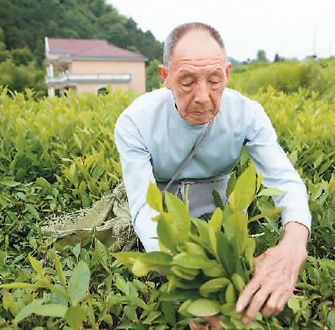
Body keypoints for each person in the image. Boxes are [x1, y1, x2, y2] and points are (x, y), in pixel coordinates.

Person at [114, 22, 311, 325]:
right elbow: (143, 206)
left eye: (215, 80)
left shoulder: (248, 114)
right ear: (165, 77)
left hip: (221, 211)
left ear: (228, 75)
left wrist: (294, 244)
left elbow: (284, 180)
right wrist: (187, 283)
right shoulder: (135, 121)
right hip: (165, 210)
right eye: (188, 81)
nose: (204, 97)